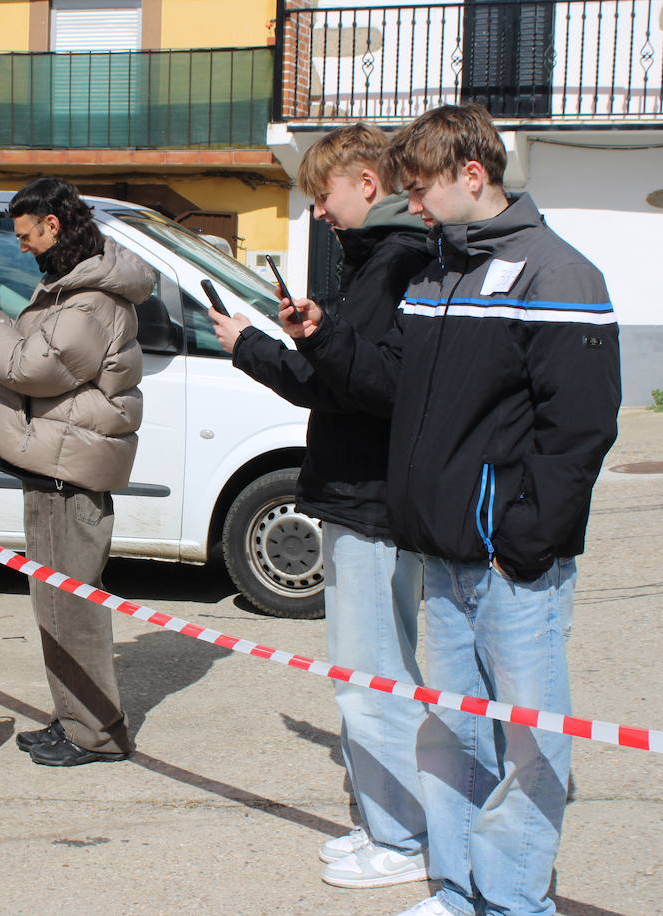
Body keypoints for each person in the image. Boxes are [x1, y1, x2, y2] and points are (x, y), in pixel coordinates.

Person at [284, 104, 621, 916]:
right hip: (442, 554)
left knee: (527, 748)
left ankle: (513, 902)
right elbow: (401, 396)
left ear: (475, 174)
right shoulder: (437, 274)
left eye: (425, 189)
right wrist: (325, 340)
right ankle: (463, 889)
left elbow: (577, 429)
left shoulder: (558, 273)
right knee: (456, 736)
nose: (417, 206)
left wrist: (524, 540)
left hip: (511, 564)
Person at [207, 122, 432, 890]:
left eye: (324, 195)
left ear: (366, 183)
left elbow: (366, 387)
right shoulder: (384, 261)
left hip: (370, 500)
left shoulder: (397, 262)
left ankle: (402, 840)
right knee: (373, 671)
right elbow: (341, 375)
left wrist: (261, 345)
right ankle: (385, 822)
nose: (322, 213)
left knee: (371, 677)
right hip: (362, 496)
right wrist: (280, 341)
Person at [0, 176, 153, 767]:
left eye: (25, 234)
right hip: (58, 465)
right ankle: (74, 723)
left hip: (69, 473)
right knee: (55, 604)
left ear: (53, 226)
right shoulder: (72, 289)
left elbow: (27, 367)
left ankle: (95, 734)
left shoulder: (88, 301)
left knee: (71, 608)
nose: (21, 246)